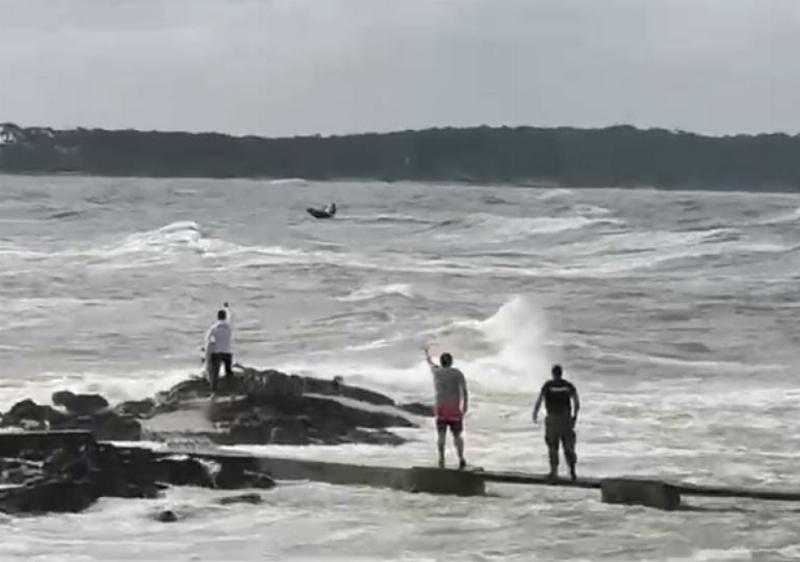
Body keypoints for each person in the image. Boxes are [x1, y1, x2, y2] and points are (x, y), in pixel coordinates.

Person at [424, 345, 469, 469]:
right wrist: (465, 405)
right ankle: (461, 458)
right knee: (457, 436)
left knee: (441, 436)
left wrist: (426, 353)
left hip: (441, 410)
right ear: (451, 361)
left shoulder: (436, 372)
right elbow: (464, 390)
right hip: (454, 410)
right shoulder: (457, 373)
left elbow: (430, 363)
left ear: (441, 362)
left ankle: (441, 458)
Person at [532, 364, 580, 481]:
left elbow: (539, 400)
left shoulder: (548, 385)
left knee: (553, 446)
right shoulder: (568, 386)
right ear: (561, 373)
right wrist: (574, 417)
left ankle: (554, 472)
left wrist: (535, 413)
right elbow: (576, 403)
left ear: (553, 374)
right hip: (566, 419)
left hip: (553, 419)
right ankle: (572, 471)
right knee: (568, 447)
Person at [204, 304, 233, 393]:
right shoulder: (229, 325)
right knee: (228, 373)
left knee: (215, 374)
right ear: (225, 317)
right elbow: (231, 316)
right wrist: (227, 308)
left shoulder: (214, 327)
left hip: (217, 353)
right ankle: (231, 392)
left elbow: (207, 338)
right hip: (227, 353)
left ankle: (214, 393)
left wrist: (210, 346)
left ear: (217, 317)